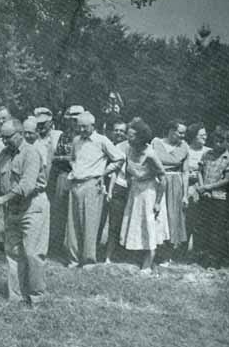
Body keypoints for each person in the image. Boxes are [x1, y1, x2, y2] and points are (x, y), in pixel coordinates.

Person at [0, 118, 49, 306]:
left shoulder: (32, 153)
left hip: (33, 207)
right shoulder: (4, 154)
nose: (5, 142)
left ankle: (37, 297)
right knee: (13, 253)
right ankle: (16, 297)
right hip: (12, 209)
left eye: (8, 137)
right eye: (2, 138)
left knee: (32, 254)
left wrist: (1, 199)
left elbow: (26, 186)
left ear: (20, 134)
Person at [65, 111, 124, 268]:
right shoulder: (76, 140)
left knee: (90, 224)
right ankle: (73, 259)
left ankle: (89, 260)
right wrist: (75, 168)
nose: (82, 130)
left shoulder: (102, 140)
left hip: (92, 185)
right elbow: (72, 158)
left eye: (85, 127)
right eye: (79, 127)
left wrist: (102, 173)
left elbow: (119, 158)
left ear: (93, 125)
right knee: (73, 224)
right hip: (75, 183)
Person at [119, 118, 168, 273]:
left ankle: (148, 264)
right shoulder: (128, 149)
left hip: (150, 193)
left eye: (132, 136)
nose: (128, 138)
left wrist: (158, 202)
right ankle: (136, 258)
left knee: (149, 227)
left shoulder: (150, 154)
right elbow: (128, 169)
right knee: (136, 225)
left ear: (140, 137)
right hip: (136, 191)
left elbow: (163, 178)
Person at [196, 125, 229, 267]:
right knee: (203, 226)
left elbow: (226, 179)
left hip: (219, 197)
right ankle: (201, 257)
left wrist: (208, 187)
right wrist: (202, 188)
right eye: (215, 140)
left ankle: (215, 260)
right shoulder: (206, 154)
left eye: (221, 140)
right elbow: (200, 171)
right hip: (204, 196)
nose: (217, 143)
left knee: (216, 229)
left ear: (227, 141)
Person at [48, 105, 84, 258]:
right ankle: (56, 247)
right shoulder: (65, 136)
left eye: (77, 119)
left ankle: (78, 249)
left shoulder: (87, 136)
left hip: (81, 178)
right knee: (59, 213)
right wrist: (70, 159)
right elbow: (56, 158)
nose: (75, 122)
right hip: (64, 175)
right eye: (72, 119)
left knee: (78, 214)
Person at [151, 120, 189, 264]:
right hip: (158, 181)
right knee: (157, 216)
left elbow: (185, 172)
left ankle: (167, 254)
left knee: (172, 218)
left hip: (175, 184)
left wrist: (185, 194)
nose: (183, 136)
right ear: (171, 131)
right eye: (180, 132)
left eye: (184, 133)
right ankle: (152, 251)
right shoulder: (156, 142)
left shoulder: (184, 147)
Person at [104, 120, 129, 263]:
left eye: (122, 131)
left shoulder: (125, 148)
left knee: (117, 221)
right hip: (102, 183)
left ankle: (116, 252)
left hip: (118, 185)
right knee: (100, 219)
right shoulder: (105, 143)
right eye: (116, 130)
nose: (119, 133)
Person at [185, 122, 210, 254]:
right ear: (194, 136)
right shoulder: (185, 149)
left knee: (201, 222)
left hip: (204, 189)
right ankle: (182, 250)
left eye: (205, 134)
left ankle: (198, 251)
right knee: (187, 220)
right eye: (202, 134)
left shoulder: (208, 151)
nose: (205, 136)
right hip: (187, 188)